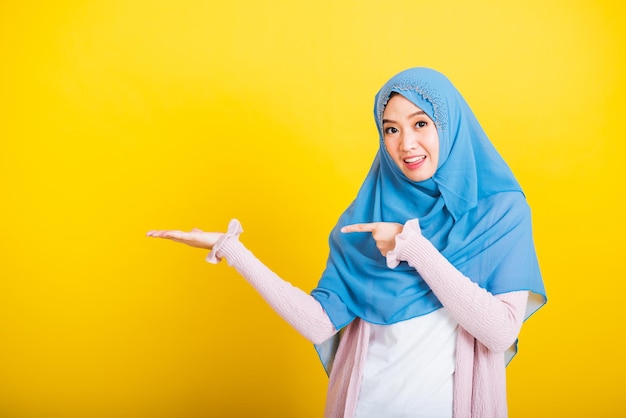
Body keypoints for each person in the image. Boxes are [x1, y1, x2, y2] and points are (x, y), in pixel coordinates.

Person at [147, 67, 547, 418]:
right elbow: (319, 321)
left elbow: (499, 333)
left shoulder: (501, 212)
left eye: (420, 124)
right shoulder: (363, 220)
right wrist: (232, 248)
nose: (405, 143)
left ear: (451, 125)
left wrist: (413, 249)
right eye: (391, 128)